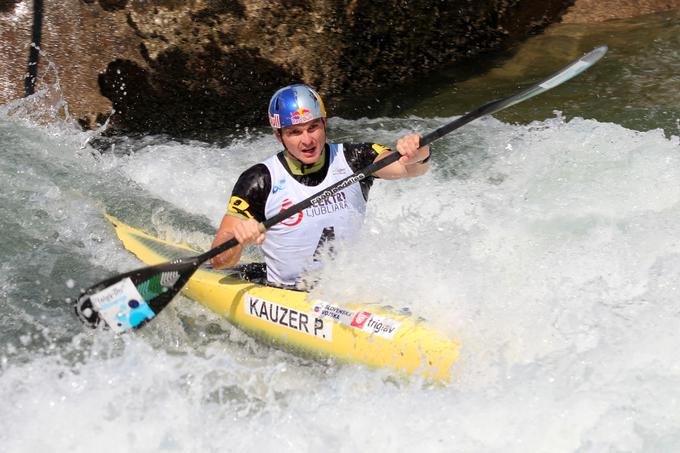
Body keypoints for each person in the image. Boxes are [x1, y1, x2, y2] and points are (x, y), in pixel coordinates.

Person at [211, 83, 431, 287]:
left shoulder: (354, 157)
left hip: (346, 291)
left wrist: (419, 151)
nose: (307, 140)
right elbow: (219, 260)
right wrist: (237, 239)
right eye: (294, 132)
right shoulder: (259, 179)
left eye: (313, 127)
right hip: (286, 294)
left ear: (324, 123)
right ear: (279, 136)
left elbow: (410, 169)